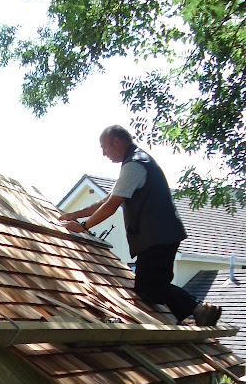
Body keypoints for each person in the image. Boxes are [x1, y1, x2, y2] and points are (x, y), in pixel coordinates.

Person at [59, 125, 222, 326]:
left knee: (149, 287)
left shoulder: (135, 165)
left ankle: (199, 309)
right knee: (152, 286)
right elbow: (103, 202)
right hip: (160, 236)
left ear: (116, 141)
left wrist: (83, 227)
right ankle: (195, 311)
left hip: (158, 237)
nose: (104, 154)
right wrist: (72, 215)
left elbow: (111, 206)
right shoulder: (136, 162)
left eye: (104, 147)